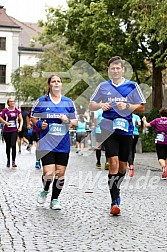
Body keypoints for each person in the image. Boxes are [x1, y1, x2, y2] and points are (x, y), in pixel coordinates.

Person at [89, 56, 146, 216]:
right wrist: (101, 105)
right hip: (108, 127)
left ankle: (117, 188)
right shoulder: (102, 86)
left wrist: (127, 106)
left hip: (126, 129)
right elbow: (91, 104)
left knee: (122, 167)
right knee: (113, 164)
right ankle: (114, 202)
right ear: (109, 70)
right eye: (112, 68)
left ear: (123, 70)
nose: (115, 70)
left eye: (118, 68)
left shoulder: (132, 86)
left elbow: (142, 107)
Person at [31, 75, 78, 210]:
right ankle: (45, 189)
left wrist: (67, 120)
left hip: (63, 144)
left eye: (58, 81)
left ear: (61, 85)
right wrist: (40, 124)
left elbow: (75, 121)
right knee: (48, 173)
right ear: (49, 85)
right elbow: (33, 118)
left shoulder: (68, 102)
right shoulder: (41, 101)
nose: (56, 83)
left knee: (60, 174)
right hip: (47, 143)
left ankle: (55, 199)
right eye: (53, 81)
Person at [142, 107, 167, 179]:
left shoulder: (157, 120)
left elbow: (147, 125)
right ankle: (166, 172)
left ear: (160, 113)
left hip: (160, 139)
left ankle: (163, 167)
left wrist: (144, 120)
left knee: (161, 157)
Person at [0, 97, 23, 167]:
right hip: (6, 130)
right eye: (10, 101)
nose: (12, 103)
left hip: (14, 130)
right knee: (8, 146)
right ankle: (8, 160)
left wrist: (20, 127)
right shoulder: (5, 110)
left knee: (13, 145)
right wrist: (6, 123)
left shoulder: (17, 110)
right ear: (8, 103)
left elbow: (21, 119)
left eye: (13, 101)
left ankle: (13, 161)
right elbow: (0, 117)